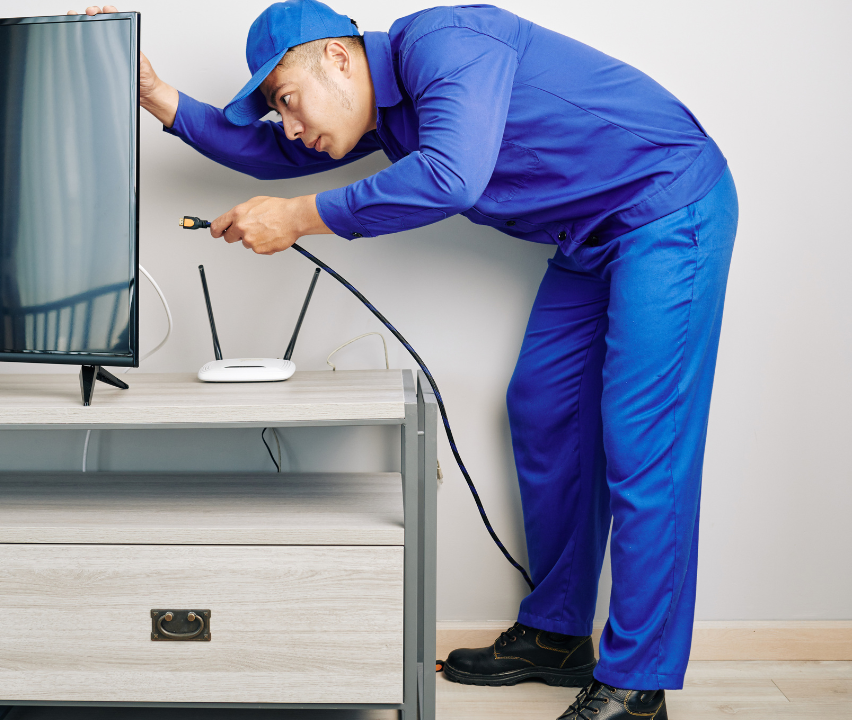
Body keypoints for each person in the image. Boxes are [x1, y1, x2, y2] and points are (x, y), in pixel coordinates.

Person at [72, 2, 737, 718]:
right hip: (587, 239)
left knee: (642, 438)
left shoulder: (446, 44)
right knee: (545, 411)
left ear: (337, 57)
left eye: (286, 100)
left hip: (664, 210)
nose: (288, 125)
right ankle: (557, 634)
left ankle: (638, 684)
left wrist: (300, 215)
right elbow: (270, 154)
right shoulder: (381, 115)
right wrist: (156, 96)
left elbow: (453, 175)